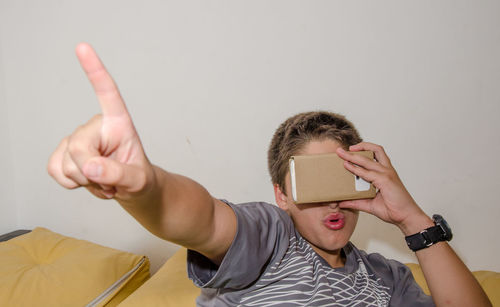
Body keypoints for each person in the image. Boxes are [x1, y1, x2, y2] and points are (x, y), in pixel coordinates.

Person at [47, 43, 491, 307]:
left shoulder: (387, 277)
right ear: (282, 194)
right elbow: (202, 219)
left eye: (344, 179)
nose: (333, 202)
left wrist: (413, 220)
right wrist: (146, 187)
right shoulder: (272, 236)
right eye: (315, 184)